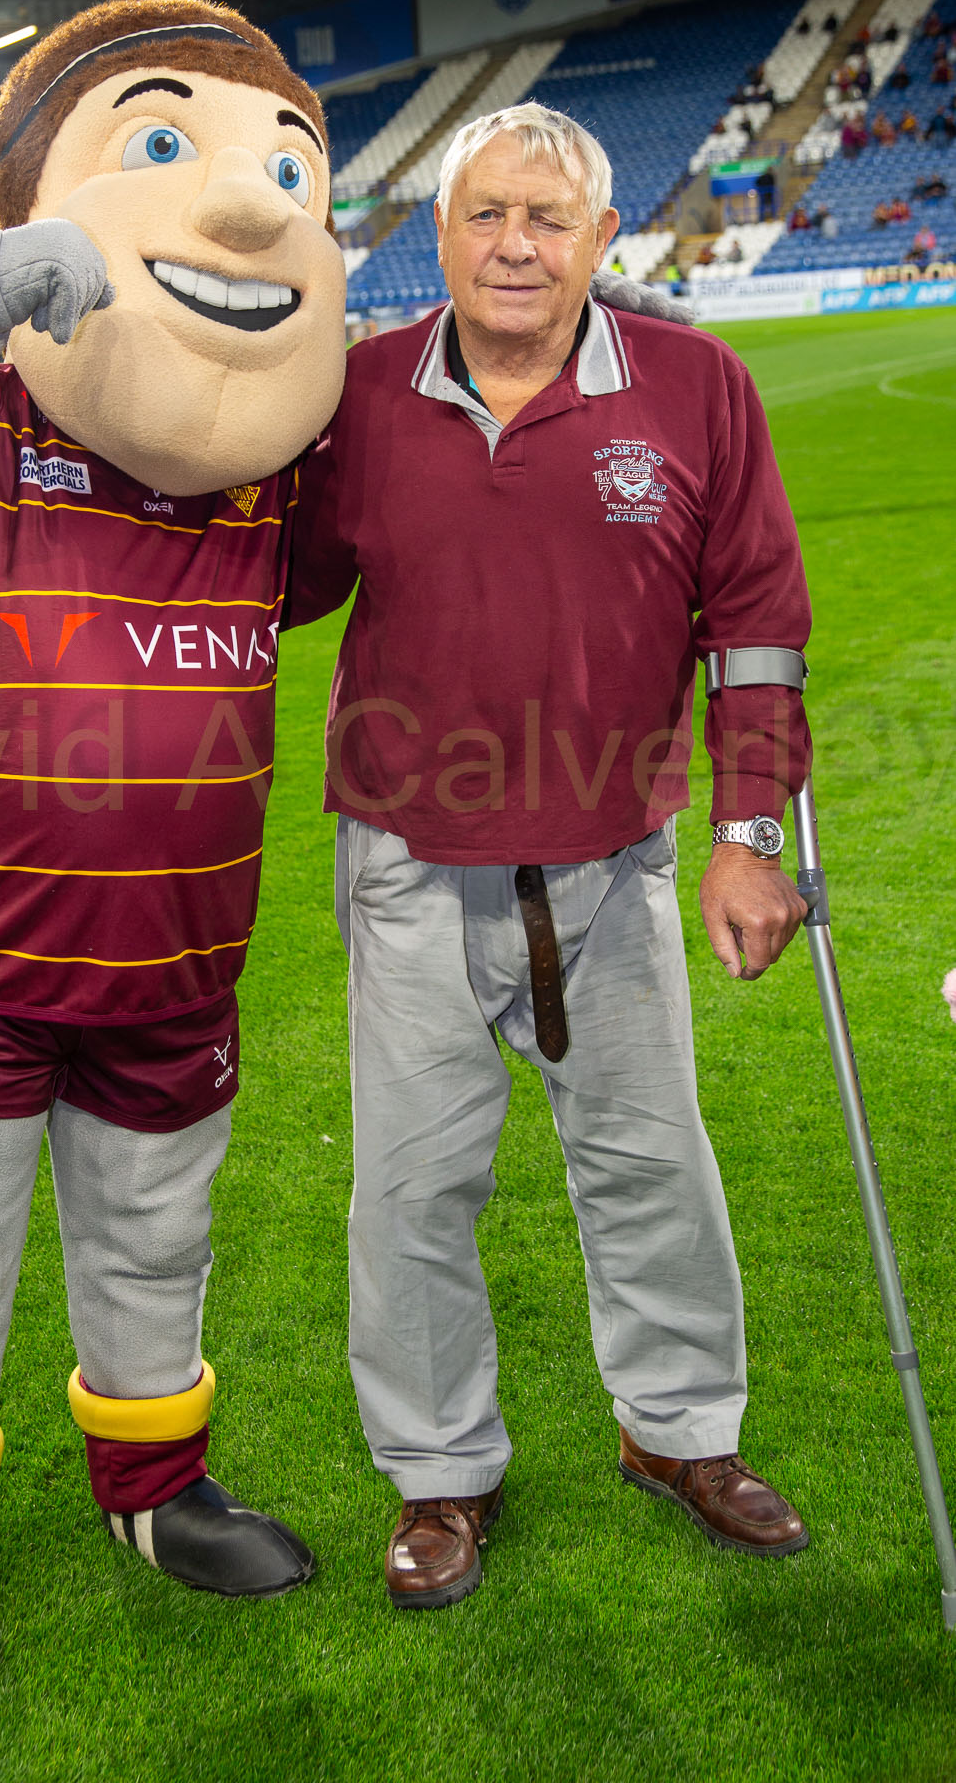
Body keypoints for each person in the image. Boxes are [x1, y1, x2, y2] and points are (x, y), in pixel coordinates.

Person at [0, 0, 351, 1720]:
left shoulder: (270, 486)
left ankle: (155, 1491)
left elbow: (405, 515)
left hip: (176, 961)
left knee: (156, 1249)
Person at [287, 102, 812, 1610]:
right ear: (439, 234)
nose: (514, 244)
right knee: (411, 1190)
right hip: (409, 855)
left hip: (614, 853)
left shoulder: (698, 387)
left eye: (547, 218)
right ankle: (440, 1474)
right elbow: (285, 584)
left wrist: (747, 833)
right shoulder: (359, 396)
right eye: (485, 214)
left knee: (652, 1168)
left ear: (601, 239)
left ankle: (680, 1434)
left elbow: (756, 626)